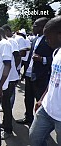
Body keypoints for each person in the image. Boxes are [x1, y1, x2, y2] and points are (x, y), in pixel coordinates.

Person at [29, 16, 61, 146]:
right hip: (47, 110)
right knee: (34, 138)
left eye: (48, 37)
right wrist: (42, 98)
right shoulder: (57, 52)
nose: (46, 41)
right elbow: (53, 79)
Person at [16, 17, 53, 125]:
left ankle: (41, 123)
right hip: (29, 74)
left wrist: (42, 59)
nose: (33, 27)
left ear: (43, 27)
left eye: (36, 25)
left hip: (41, 75)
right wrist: (24, 72)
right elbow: (29, 57)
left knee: (40, 100)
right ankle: (28, 118)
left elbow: (55, 58)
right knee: (28, 98)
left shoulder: (50, 40)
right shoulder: (35, 40)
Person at [0, 27, 20, 140]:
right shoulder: (5, 43)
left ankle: (8, 130)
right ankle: (5, 123)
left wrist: (14, 71)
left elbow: (17, 56)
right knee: (4, 103)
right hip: (8, 78)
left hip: (10, 79)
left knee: (6, 104)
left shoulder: (11, 41)